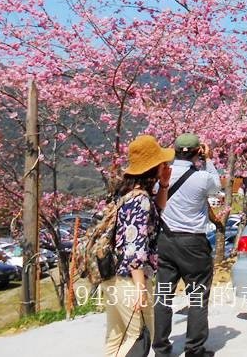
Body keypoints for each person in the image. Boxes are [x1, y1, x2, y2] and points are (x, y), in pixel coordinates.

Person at [153, 134, 222, 357]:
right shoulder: (202, 177)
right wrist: (208, 159)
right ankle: (194, 350)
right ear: (196, 152)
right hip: (193, 243)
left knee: (163, 296)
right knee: (197, 296)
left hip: (166, 240)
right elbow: (217, 187)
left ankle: (161, 349)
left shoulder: (162, 177)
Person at [104, 135, 173, 357]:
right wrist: (140, 288)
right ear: (153, 167)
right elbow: (135, 246)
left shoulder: (126, 194)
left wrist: (164, 184)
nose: (166, 165)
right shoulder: (140, 201)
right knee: (138, 339)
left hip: (113, 277)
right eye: (163, 163)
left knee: (116, 339)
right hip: (130, 280)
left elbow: (157, 211)